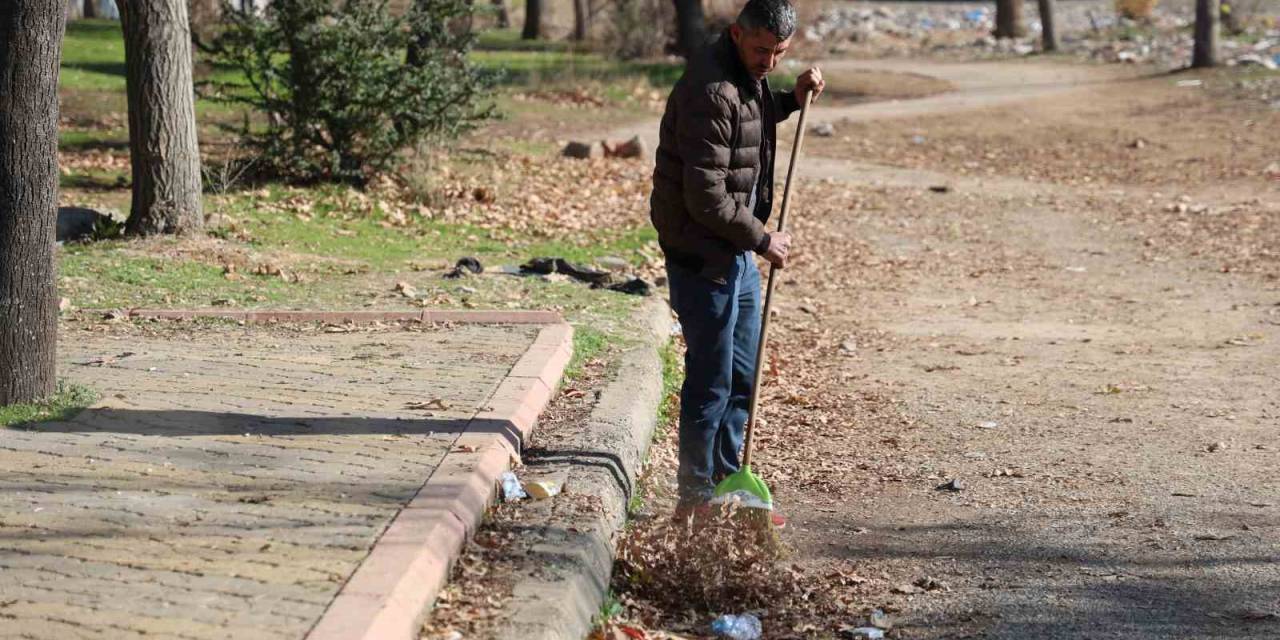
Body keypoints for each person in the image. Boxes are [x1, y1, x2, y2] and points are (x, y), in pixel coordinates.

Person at [649, 0, 824, 522]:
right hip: (703, 256)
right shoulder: (710, 90)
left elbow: (751, 117)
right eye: (761, 50)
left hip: (736, 253)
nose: (769, 61)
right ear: (736, 34)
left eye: (780, 53)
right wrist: (762, 238)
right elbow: (705, 196)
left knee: (742, 377)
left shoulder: (742, 75)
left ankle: (731, 480)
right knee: (712, 380)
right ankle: (696, 497)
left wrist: (791, 99)